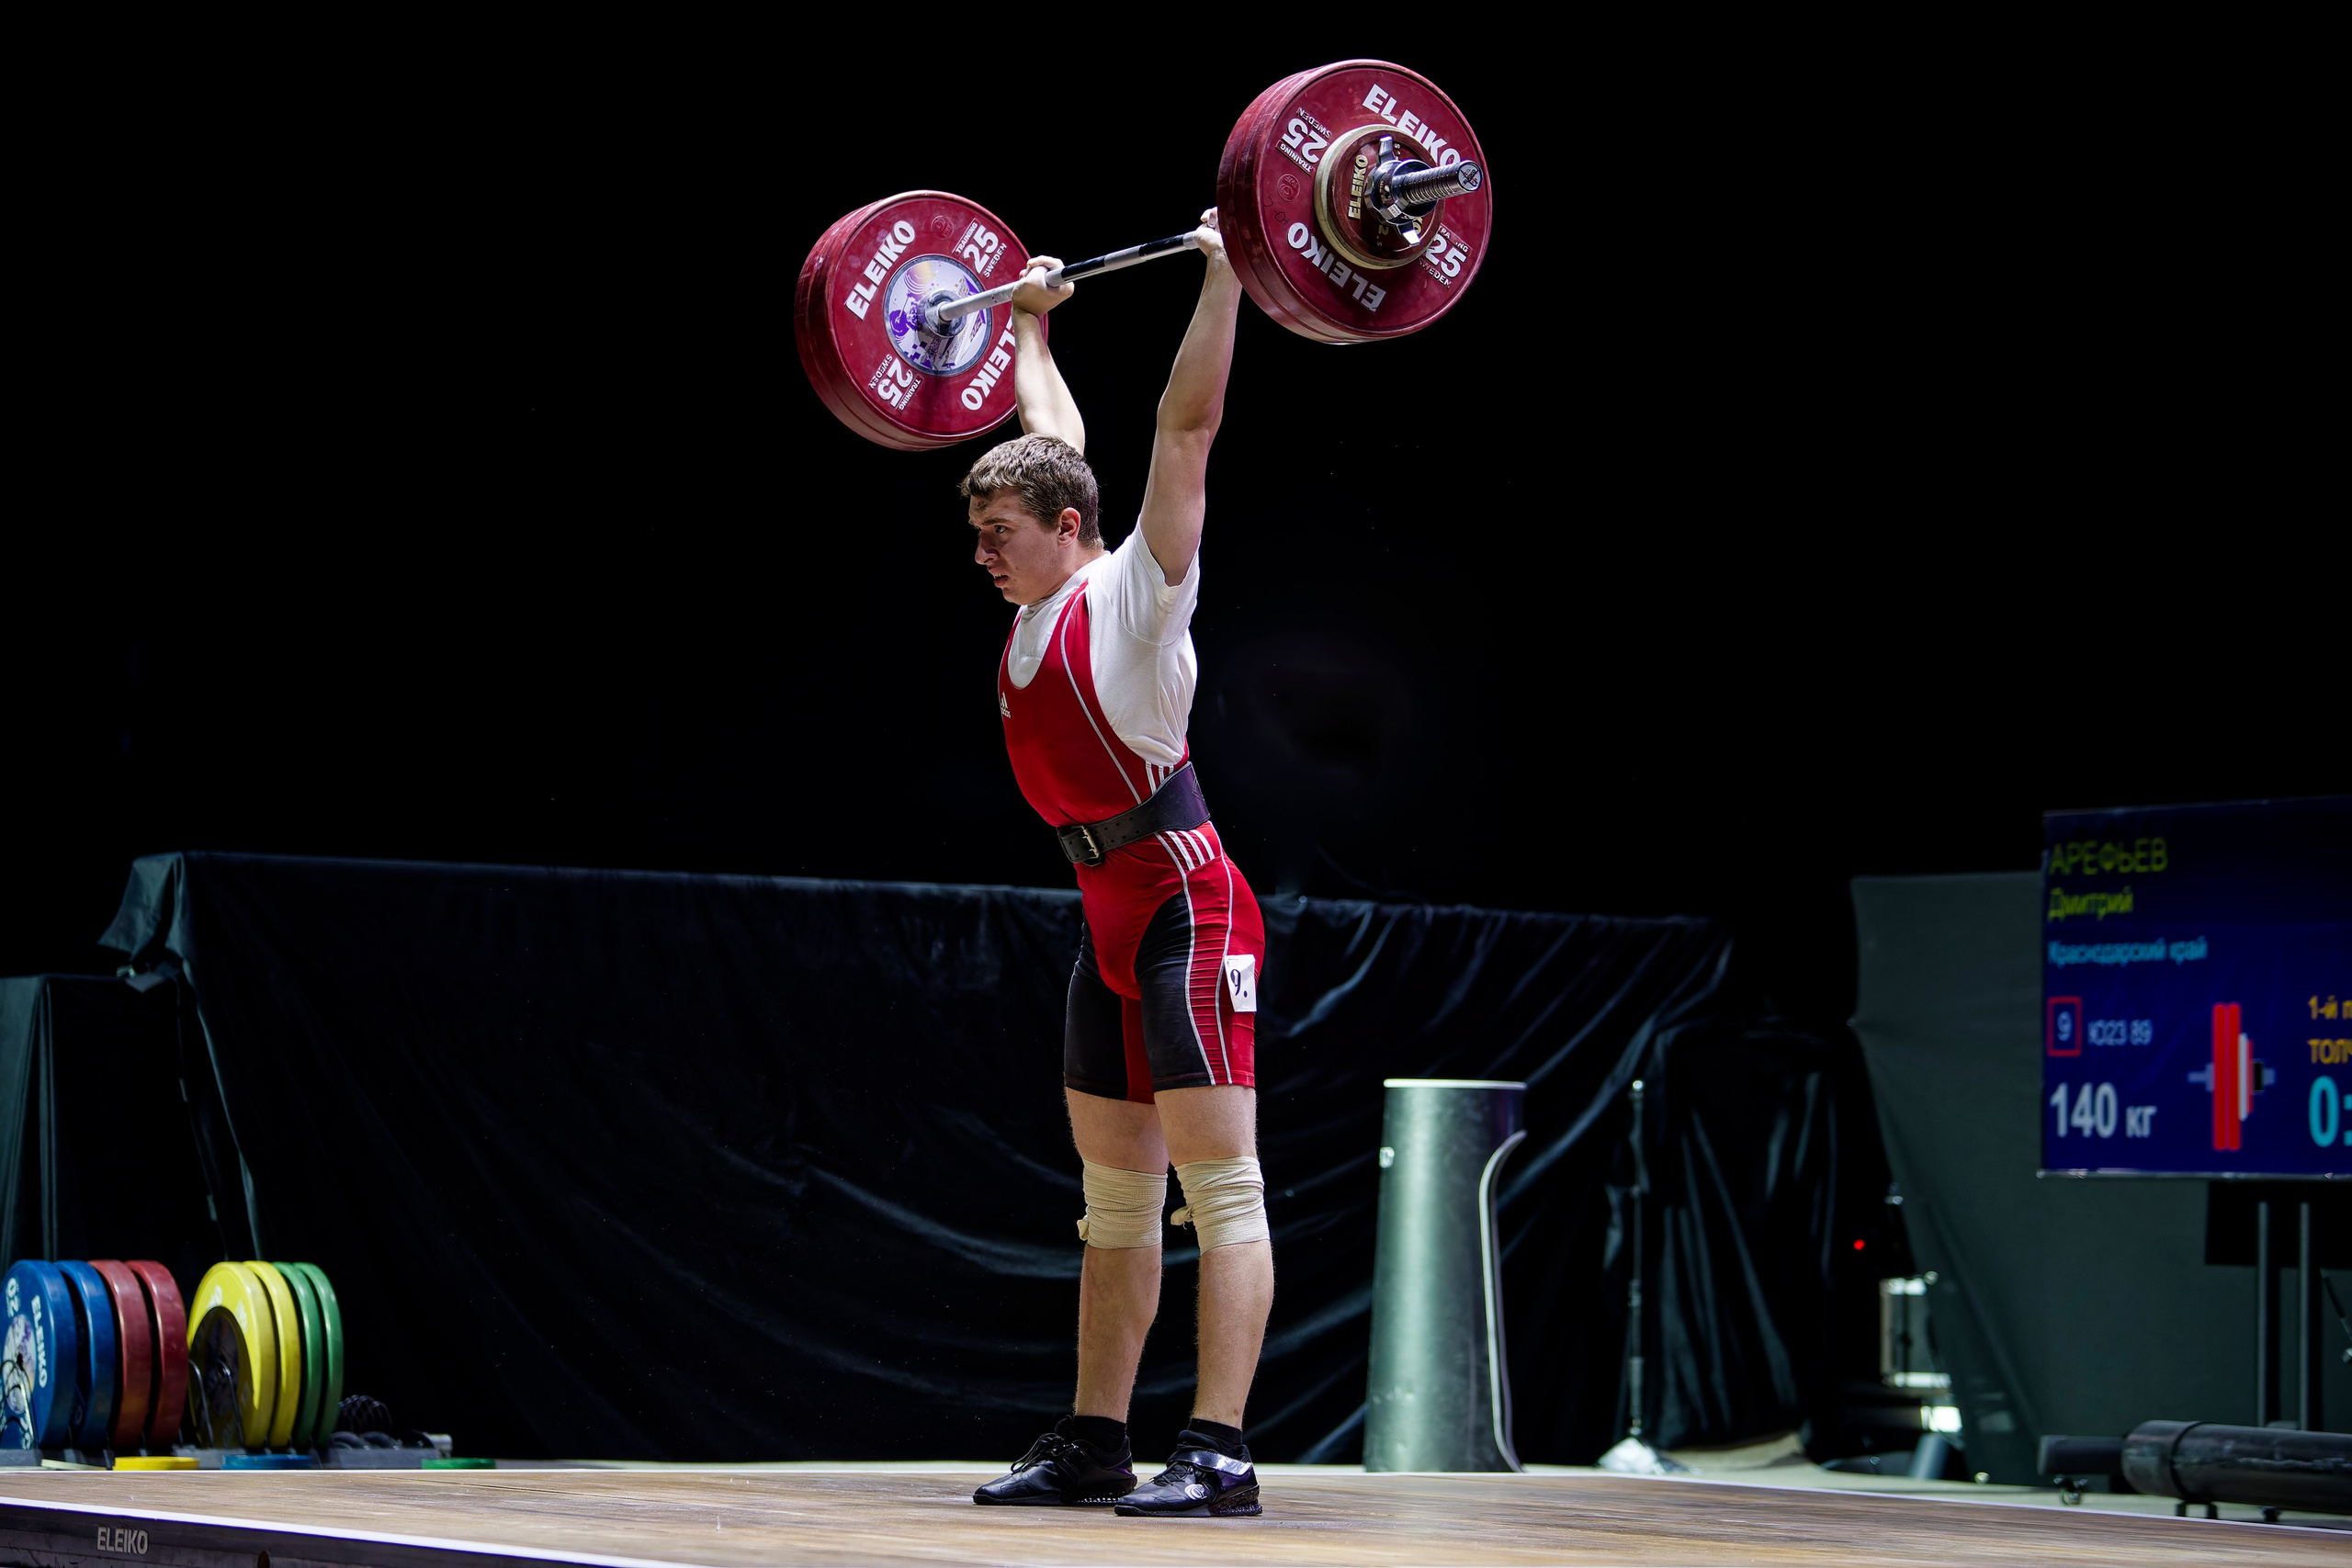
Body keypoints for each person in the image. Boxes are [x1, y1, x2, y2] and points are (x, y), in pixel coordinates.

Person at [965, 209, 1271, 1520]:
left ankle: (1218, 1450)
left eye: (1000, 536)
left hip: (1186, 903)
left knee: (1220, 1189)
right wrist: (1031, 323)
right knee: (1111, 1204)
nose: (983, 558)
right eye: (979, 538)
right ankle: (1097, 1441)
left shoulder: (1136, 592)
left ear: (1071, 528)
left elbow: (1180, 434)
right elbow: (1061, 446)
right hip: (1101, 912)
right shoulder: (1041, 608)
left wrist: (1225, 277)